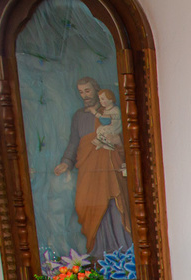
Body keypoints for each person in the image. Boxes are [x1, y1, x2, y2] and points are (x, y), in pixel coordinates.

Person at [52, 76, 132, 260]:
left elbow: (123, 138)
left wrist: (118, 142)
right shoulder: (79, 116)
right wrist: (66, 161)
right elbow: (74, 142)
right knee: (84, 204)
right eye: (81, 92)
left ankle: (119, 249)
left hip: (109, 166)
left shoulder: (111, 112)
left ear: (96, 90)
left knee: (112, 204)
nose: (84, 95)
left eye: (87, 90)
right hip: (88, 167)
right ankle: (97, 250)